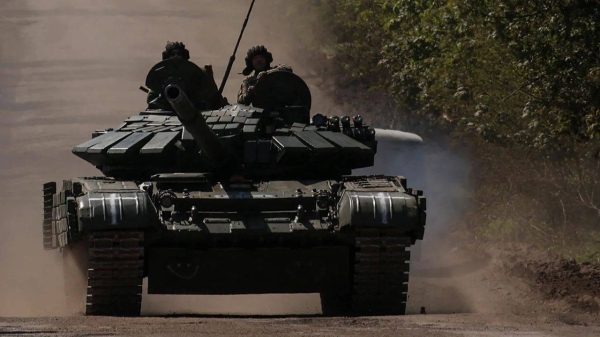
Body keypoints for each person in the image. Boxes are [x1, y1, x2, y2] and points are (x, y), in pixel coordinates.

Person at [147, 41, 224, 110]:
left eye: (179, 54)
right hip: (166, 109)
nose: (176, 56)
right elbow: (151, 98)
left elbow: (206, 95)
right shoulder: (159, 75)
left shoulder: (195, 74)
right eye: (173, 54)